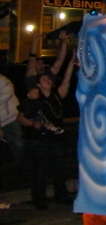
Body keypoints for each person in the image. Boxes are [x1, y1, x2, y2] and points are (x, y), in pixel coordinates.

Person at [17, 54, 77, 210]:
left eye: (49, 79)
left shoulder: (57, 96)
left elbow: (66, 80)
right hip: (38, 140)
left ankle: (61, 196)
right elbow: (20, 117)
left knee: (58, 169)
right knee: (39, 171)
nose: (48, 81)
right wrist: (32, 123)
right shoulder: (34, 98)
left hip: (55, 138)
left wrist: (71, 62)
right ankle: (40, 201)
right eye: (44, 80)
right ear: (38, 84)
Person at [0, 72, 24, 166]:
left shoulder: (2, 79)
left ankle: (21, 166)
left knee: (17, 144)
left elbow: (8, 92)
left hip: (10, 118)